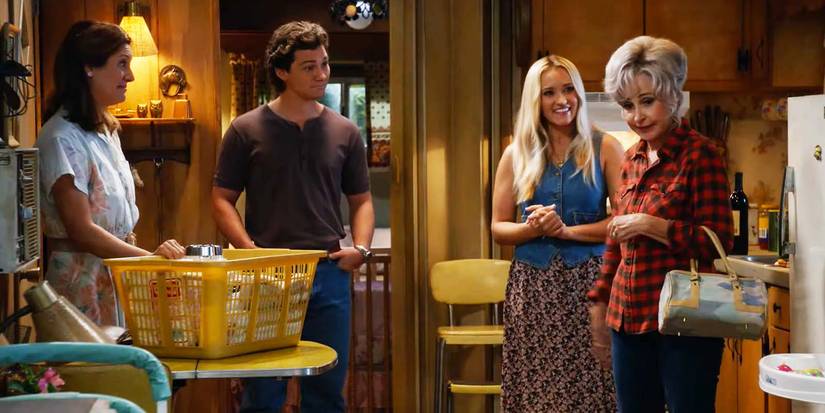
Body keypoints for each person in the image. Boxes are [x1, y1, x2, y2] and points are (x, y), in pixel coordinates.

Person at [211, 21, 374, 413]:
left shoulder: (346, 131)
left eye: (325, 64)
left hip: (328, 270)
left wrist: (362, 249)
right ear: (282, 71)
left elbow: (362, 200)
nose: (321, 74)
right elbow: (220, 199)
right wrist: (250, 251)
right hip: (268, 274)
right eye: (309, 66)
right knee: (263, 393)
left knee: (327, 390)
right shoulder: (245, 129)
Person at [588, 36, 733, 413]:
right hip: (627, 318)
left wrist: (654, 226)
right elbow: (614, 241)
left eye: (647, 101)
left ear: (672, 95)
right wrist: (599, 306)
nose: (637, 116)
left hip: (686, 319)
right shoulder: (631, 158)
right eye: (626, 105)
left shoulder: (701, 154)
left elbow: (718, 240)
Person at [491, 55, 624, 412]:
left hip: (591, 285)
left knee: (597, 386)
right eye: (549, 92)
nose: (561, 100)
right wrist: (531, 227)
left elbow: (624, 222)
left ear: (579, 93)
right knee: (536, 387)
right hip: (533, 288)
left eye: (568, 89)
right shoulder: (515, 154)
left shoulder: (605, 147)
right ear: (535, 100)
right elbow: (498, 228)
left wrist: (568, 231)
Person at [36, 20, 185, 326]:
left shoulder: (105, 130)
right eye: (121, 64)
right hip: (81, 281)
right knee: (92, 371)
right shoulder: (61, 137)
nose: (129, 76)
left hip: (114, 274)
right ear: (89, 67)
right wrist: (149, 261)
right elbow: (81, 229)